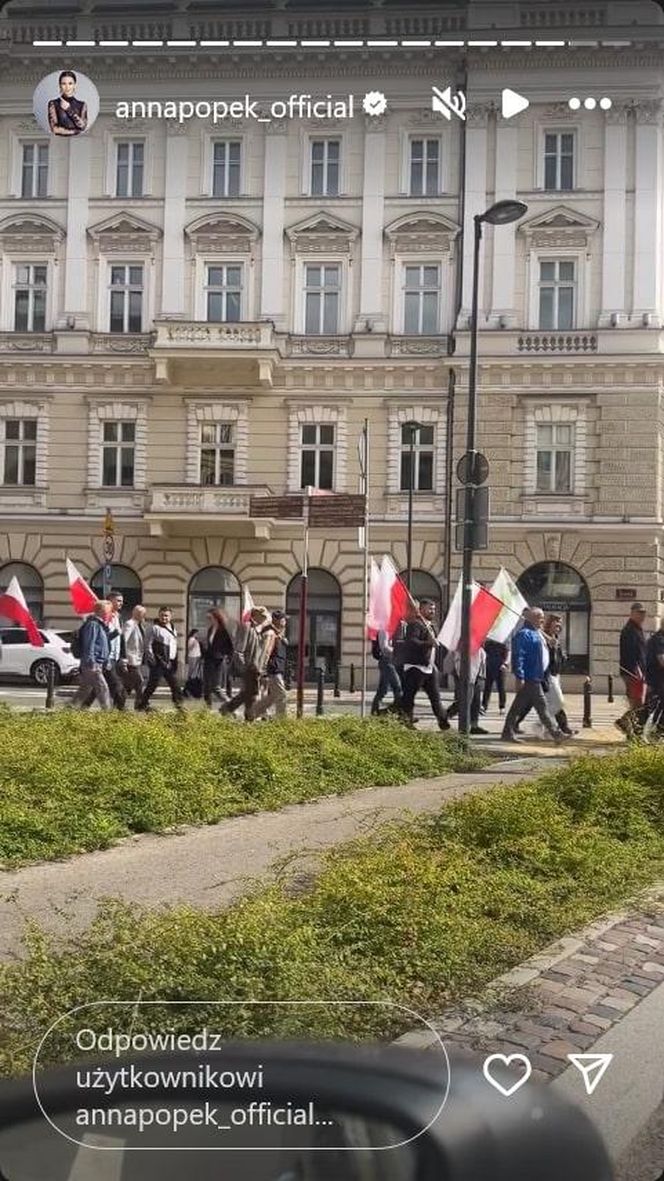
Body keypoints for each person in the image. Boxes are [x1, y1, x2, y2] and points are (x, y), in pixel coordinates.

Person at [501, 607, 566, 744]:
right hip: (530, 677)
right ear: (531, 618)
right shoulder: (524, 634)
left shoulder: (536, 632)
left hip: (536, 676)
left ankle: (507, 732)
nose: (542, 619)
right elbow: (518, 657)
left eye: (542, 616)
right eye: (539, 617)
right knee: (542, 707)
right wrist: (520, 677)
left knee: (518, 707)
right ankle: (556, 734)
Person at [398, 599, 450, 731]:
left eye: (434, 609)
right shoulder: (415, 625)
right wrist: (428, 643)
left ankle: (443, 723)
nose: (432, 611)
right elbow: (411, 642)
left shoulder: (432, 626)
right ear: (421, 610)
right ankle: (405, 720)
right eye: (429, 609)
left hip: (429, 668)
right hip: (416, 667)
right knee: (409, 697)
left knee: (435, 697)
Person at [220, 606, 271, 721]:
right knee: (252, 693)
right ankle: (248, 718)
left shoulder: (259, 629)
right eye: (263, 616)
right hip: (249, 667)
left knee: (248, 693)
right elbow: (239, 650)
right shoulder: (247, 627)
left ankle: (228, 709)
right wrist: (244, 667)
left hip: (256, 667)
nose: (264, 619)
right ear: (255, 615)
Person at [138, 606, 183, 712]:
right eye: (162, 615)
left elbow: (173, 645)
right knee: (152, 685)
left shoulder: (173, 627)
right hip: (159, 661)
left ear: (170, 616)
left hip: (170, 661)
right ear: (159, 615)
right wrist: (152, 659)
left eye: (166, 616)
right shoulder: (154, 628)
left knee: (175, 684)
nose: (164, 618)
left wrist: (175, 659)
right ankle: (142, 704)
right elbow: (148, 645)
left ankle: (179, 705)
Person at [70, 601, 112, 710]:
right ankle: (108, 712)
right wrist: (91, 662)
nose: (110, 614)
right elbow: (89, 644)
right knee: (103, 687)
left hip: (96, 662)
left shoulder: (100, 625)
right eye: (108, 611)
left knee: (85, 689)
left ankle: (70, 709)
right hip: (92, 663)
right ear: (100, 611)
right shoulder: (93, 624)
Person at [616, 601, 649, 737]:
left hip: (637, 671)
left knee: (638, 703)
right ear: (632, 613)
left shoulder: (637, 629)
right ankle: (627, 726)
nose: (642, 616)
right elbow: (629, 653)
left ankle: (630, 729)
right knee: (637, 703)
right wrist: (636, 669)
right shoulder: (629, 630)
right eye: (639, 613)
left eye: (643, 613)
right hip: (632, 672)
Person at [250, 610, 290, 720]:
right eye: (283, 619)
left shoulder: (278, 633)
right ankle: (281, 719)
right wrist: (263, 668)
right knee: (281, 695)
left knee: (271, 696)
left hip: (277, 668)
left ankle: (254, 714)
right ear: (277, 620)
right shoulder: (271, 633)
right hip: (273, 669)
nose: (285, 621)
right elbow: (266, 651)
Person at [542, 614, 575, 737]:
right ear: (549, 623)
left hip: (556, 674)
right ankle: (542, 724)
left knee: (553, 702)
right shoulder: (545, 637)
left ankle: (555, 728)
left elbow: (558, 656)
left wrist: (562, 656)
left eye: (560, 623)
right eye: (556, 623)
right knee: (558, 702)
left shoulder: (556, 638)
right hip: (547, 674)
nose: (559, 626)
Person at [447, 646, 488, 734]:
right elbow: (458, 662)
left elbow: (482, 663)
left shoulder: (480, 650)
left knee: (476, 702)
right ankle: (446, 716)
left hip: (477, 677)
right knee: (464, 701)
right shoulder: (462, 647)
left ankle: (474, 725)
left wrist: (481, 676)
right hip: (466, 677)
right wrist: (462, 676)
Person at [202, 608, 234, 708]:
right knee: (206, 687)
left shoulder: (225, 630)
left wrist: (227, 657)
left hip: (219, 660)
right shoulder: (211, 629)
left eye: (209, 617)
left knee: (216, 687)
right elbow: (210, 645)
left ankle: (231, 706)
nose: (208, 620)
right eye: (207, 618)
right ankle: (208, 708)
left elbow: (231, 646)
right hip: (209, 660)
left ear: (216, 617)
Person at [370, 627, 402, 716]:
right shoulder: (384, 630)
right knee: (397, 687)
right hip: (387, 662)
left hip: (391, 661)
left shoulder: (392, 630)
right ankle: (400, 712)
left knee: (383, 689)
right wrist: (397, 651)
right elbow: (384, 647)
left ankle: (375, 711)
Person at [48, 70, 88, 136]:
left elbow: (83, 126)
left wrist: (69, 109)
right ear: (60, 85)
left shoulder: (82, 104)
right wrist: (76, 131)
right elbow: (54, 129)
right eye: (64, 83)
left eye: (70, 83)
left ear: (75, 85)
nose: (67, 87)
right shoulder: (53, 104)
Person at [122, 604, 147, 709]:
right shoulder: (130, 624)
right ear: (135, 613)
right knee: (139, 682)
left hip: (137, 659)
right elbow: (124, 641)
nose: (142, 615)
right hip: (130, 659)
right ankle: (140, 705)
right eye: (140, 613)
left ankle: (119, 704)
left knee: (129, 685)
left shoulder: (140, 625)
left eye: (143, 614)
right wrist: (124, 658)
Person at [644, 618, 664, 737]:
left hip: (656, 678)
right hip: (657, 679)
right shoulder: (659, 640)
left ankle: (657, 732)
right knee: (655, 706)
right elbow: (662, 661)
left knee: (658, 706)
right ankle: (656, 731)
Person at [482, 638, 509, 713]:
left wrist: (504, 664)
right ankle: (484, 705)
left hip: (500, 668)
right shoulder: (488, 644)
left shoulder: (503, 644)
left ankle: (502, 706)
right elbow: (484, 654)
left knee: (501, 688)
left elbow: (507, 654)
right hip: (490, 666)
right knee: (487, 687)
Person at [183, 628, 203, 699]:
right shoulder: (191, 639)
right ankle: (189, 686)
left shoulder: (195, 639)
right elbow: (190, 648)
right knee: (192, 672)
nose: (197, 635)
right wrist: (194, 644)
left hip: (197, 656)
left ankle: (194, 686)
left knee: (196, 672)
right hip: (193, 656)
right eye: (196, 633)